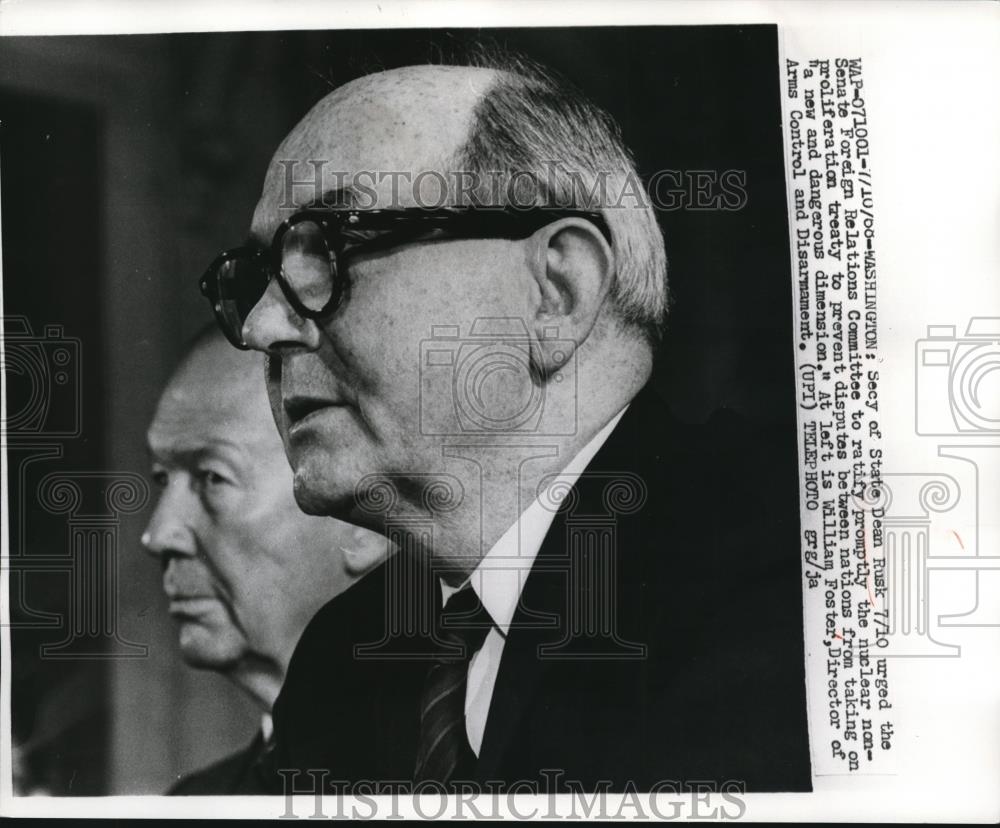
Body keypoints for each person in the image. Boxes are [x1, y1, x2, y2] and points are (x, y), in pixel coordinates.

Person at [199, 53, 811, 791]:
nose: (262, 327)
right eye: (259, 278)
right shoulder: (345, 656)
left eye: (326, 248)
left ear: (557, 291)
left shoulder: (793, 563)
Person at [142, 325, 387, 793]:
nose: (158, 534)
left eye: (212, 476)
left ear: (365, 519)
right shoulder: (193, 809)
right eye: (161, 479)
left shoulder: (460, 770)